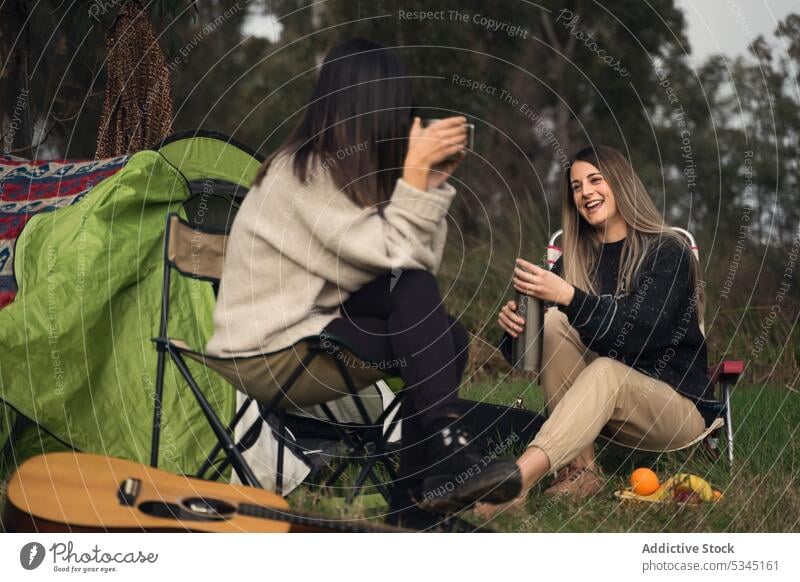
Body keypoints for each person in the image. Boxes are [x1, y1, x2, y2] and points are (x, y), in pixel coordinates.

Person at [205, 38, 521, 528]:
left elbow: (413, 265)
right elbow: (397, 255)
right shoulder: (300, 175)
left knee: (447, 334)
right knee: (422, 310)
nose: (403, 124)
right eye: (396, 109)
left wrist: (428, 184)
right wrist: (415, 181)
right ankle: (436, 473)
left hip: (313, 327)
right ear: (367, 106)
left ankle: (420, 498)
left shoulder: (349, 177)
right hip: (268, 349)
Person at [482, 145, 715, 515]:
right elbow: (528, 359)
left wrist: (569, 296)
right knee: (554, 322)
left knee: (604, 368)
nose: (586, 192)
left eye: (595, 180)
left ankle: (515, 481)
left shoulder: (667, 252)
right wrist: (516, 330)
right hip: (603, 405)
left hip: (674, 406)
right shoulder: (575, 259)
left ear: (620, 183)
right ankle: (582, 472)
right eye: (576, 187)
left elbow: (643, 332)